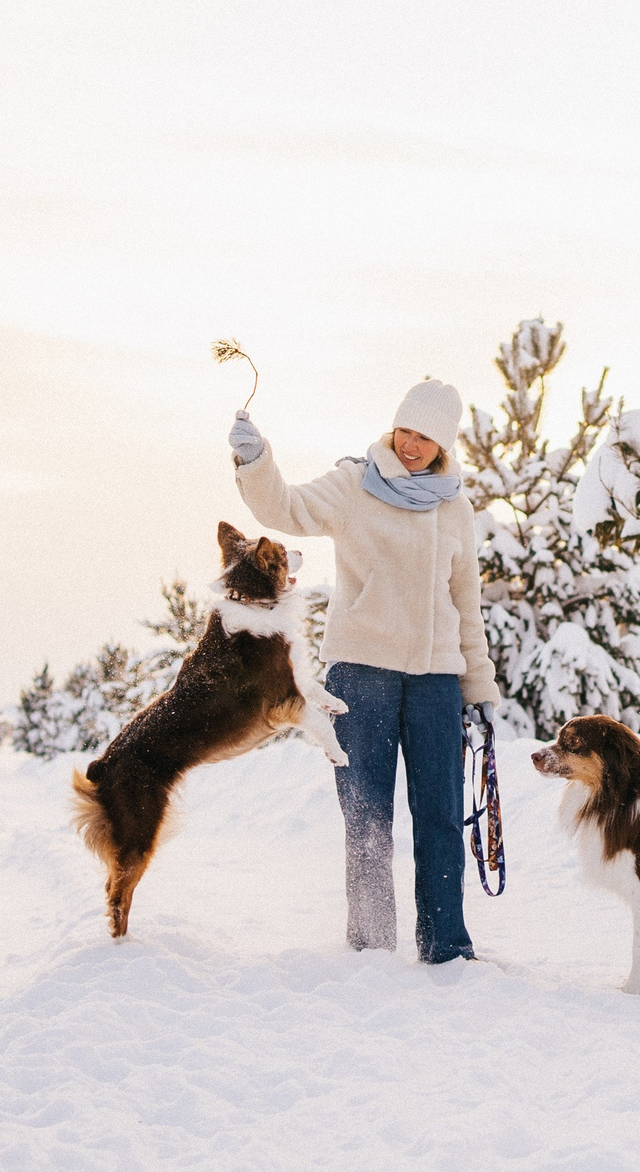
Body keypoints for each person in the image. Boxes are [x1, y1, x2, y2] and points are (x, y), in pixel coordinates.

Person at [228, 378, 499, 964]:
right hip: (362, 673)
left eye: (426, 437)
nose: (411, 444)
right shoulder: (355, 482)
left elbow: (466, 602)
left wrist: (477, 686)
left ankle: (447, 948)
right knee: (368, 815)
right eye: (406, 429)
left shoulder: (455, 507)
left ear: (443, 444)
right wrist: (255, 461)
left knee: (442, 816)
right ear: (393, 425)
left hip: (435, 679)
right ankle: (372, 945)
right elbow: (286, 507)